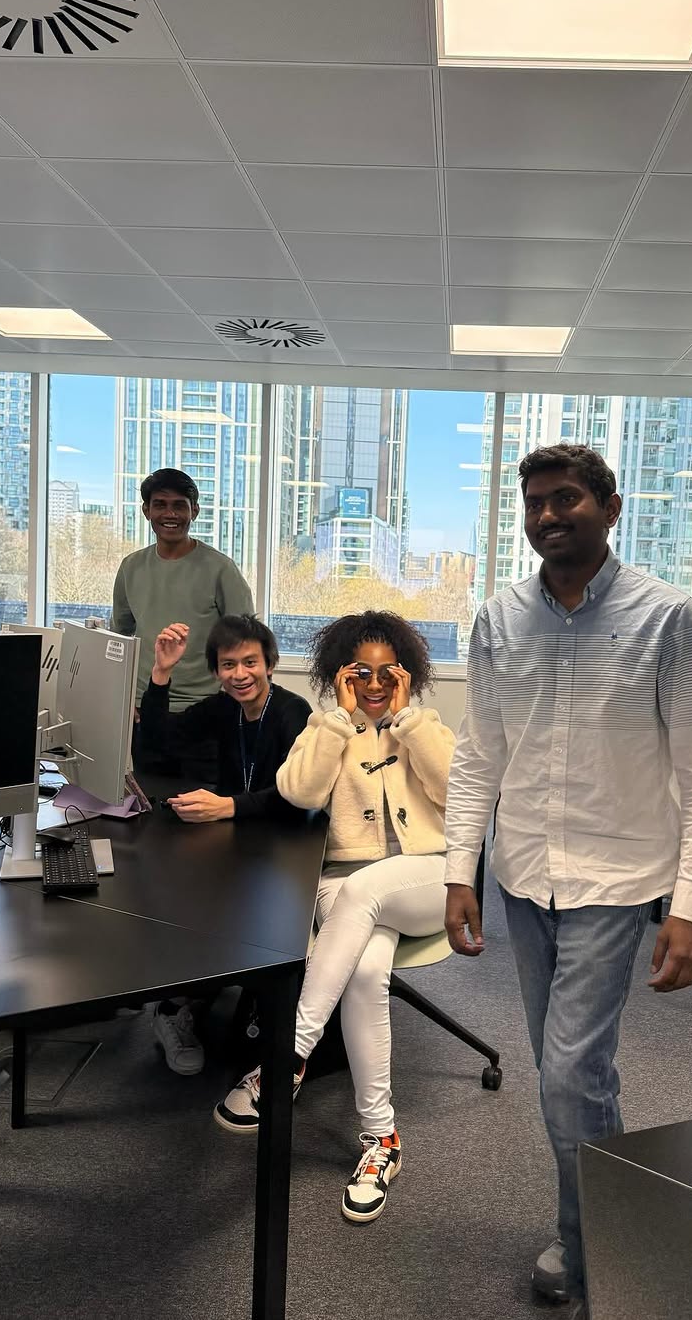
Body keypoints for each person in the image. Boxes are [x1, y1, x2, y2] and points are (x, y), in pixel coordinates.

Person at [443, 443, 692, 1314]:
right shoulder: (498, 618)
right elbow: (479, 754)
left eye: (566, 497)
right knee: (569, 1072)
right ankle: (621, 1223)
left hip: (616, 877)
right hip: (524, 875)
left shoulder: (665, 615)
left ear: (610, 507)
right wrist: (460, 869)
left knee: (570, 1074)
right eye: (534, 501)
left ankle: (590, 1248)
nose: (547, 515)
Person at [213, 611, 453, 1226]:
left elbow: (457, 793)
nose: (374, 684)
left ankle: (290, 1051)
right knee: (367, 975)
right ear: (339, 676)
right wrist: (339, 723)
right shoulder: (326, 727)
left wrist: (407, 719)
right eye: (359, 674)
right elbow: (298, 791)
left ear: (406, 675)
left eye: (386, 673)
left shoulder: (425, 725)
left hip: (427, 879)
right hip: (343, 885)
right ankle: (382, 1139)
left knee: (369, 890)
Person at [138, 614, 311, 1075]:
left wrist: (229, 806)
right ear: (216, 671)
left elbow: (300, 798)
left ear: (270, 664)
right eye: (228, 665)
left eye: (250, 662)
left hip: (285, 844)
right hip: (239, 838)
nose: (240, 674)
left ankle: (233, 1001)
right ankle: (177, 1004)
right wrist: (162, 673)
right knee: (175, 886)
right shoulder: (224, 709)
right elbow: (158, 742)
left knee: (234, 910)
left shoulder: (293, 714)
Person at [112, 467, 253, 785]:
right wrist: (125, 698)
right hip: (146, 712)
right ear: (146, 510)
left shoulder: (220, 569)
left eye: (179, 505)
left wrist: (229, 703)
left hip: (205, 712)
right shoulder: (131, 567)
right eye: (160, 505)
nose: (170, 514)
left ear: (195, 511)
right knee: (147, 800)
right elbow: (119, 638)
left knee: (204, 806)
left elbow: (246, 642)